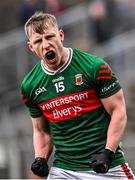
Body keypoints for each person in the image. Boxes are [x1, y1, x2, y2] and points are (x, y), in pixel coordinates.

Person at [20, 11, 135, 179]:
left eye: (50, 37)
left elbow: (119, 111)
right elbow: (41, 130)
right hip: (64, 169)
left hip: (105, 167)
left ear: (61, 35)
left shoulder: (94, 67)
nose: (46, 45)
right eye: (38, 41)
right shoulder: (30, 85)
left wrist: (108, 153)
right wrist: (41, 158)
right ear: (31, 47)